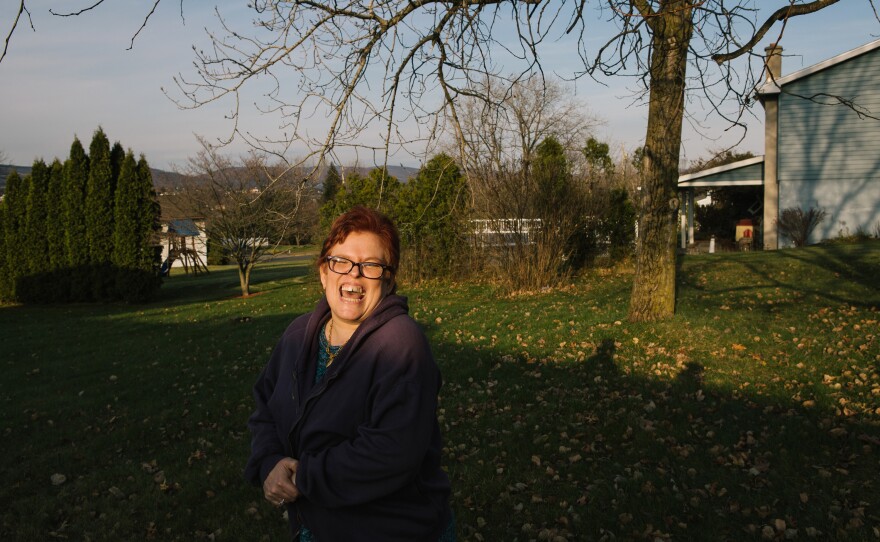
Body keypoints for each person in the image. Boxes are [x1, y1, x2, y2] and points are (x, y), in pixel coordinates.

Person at [245, 206, 454, 541]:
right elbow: (266, 408)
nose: (353, 276)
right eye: (340, 262)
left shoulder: (401, 346)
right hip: (314, 526)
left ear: (388, 280)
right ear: (324, 272)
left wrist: (302, 477)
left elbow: (389, 453)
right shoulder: (298, 336)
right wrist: (269, 461)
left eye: (370, 266)